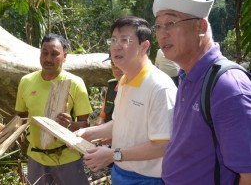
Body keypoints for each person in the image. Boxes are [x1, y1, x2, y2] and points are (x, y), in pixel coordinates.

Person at [152, 0, 251, 185]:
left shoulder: (227, 87)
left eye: (171, 23)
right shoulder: (187, 76)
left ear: (201, 26)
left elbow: (249, 175)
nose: (162, 34)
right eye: (158, 26)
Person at [76, 16, 177, 185]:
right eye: (114, 40)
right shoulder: (124, 81)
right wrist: (90, 133)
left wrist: (113, 154)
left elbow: (163, 146)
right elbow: (120, 123)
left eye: (125, 40)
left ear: (144, 47)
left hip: (149, 180)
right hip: (121, 173)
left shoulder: (160, 87)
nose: (116, 46)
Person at [15, 33, 93, 185]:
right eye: (45, 53)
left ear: (65, 56)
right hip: (36, 158)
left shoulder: (75, 83)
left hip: (67, 157)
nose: (48, 59)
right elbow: (21, 118)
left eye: (54, 54)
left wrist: (69, 125)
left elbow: (86, 124)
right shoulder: (26, 81)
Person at [95, 53, 124, 126]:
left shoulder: (137, 89)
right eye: (113, 64)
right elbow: (102, 116)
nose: (116, 69)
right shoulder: (112, 86)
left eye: (120, 64)